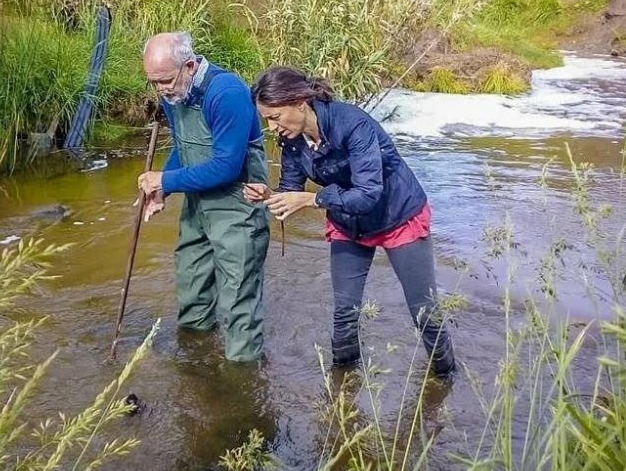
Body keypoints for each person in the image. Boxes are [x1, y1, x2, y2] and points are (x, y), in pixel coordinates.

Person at [244, 65, 456, 375]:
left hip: (397, 215)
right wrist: (269, 194)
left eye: (275, 118)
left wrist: (315, 199)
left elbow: (368, 194)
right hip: (348, 222)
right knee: (345, 311)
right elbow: (292, 189)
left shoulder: (353, 125)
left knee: (424, 311)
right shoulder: (291, 140)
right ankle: (342, 385)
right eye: (267, 121)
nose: (272, 128)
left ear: (299, 102)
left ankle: (444, 377)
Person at [137, 32, 271, 362]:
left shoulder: (226, 93)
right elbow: (186, 149)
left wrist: (165, 178)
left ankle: (241, 378)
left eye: (166, 80)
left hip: (238, 203)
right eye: (154, 83)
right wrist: (163, 189)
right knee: (192, 281)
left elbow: (226, 166)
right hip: (199, 201)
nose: (162, 90)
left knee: (238, 296)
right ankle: (195, 363)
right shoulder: (174, 96)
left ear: (190, 65)